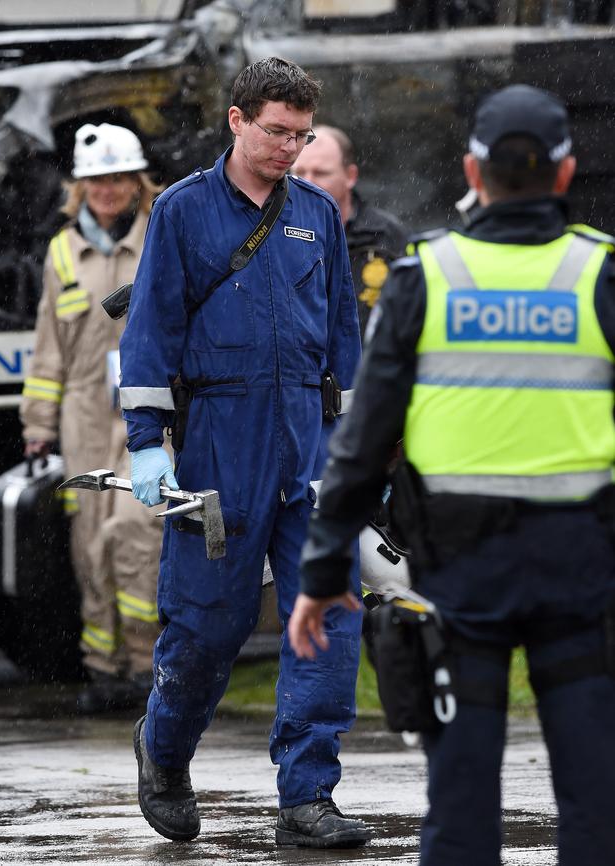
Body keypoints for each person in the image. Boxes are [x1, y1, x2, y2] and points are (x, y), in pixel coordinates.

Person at [289, 84, 615, 865]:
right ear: (566, 175)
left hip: (458, 580)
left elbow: (365, 440)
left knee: (462, 805)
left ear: (473, 168)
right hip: (578, 575)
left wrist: (326, 562)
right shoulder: (600, 275)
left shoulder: (425, 276)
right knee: (596, 801)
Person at [118, 57, 371, 848]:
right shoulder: (184, 212)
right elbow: (150, 331)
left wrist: (357, 452)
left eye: (301, 136)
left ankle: (308, 796)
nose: (289, 150)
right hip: (219, 452)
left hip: (308, 446)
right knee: (207, 629)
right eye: (276, 132)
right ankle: (162, 752)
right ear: (236, 119)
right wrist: (147, 447)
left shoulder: (318, 216)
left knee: (327, 618)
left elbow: (343, 342)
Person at [20, 123, 165, 712]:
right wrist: (37, 423)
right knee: (88, 546)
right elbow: (48, 344)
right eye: (97, 180)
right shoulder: (61, 252)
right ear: (80, 188)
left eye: (118, 178)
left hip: (148, 411)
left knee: (135, 531)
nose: (108, 190)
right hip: (83, 414)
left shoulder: (161, 235)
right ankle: (104, 671)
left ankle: (149, 668)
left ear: (137, 184)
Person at [292, 124, 406, 336]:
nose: (307, 183)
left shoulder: (386, 237)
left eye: (320, 173)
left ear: (350, 176)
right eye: (299, 172)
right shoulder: (272, 234)